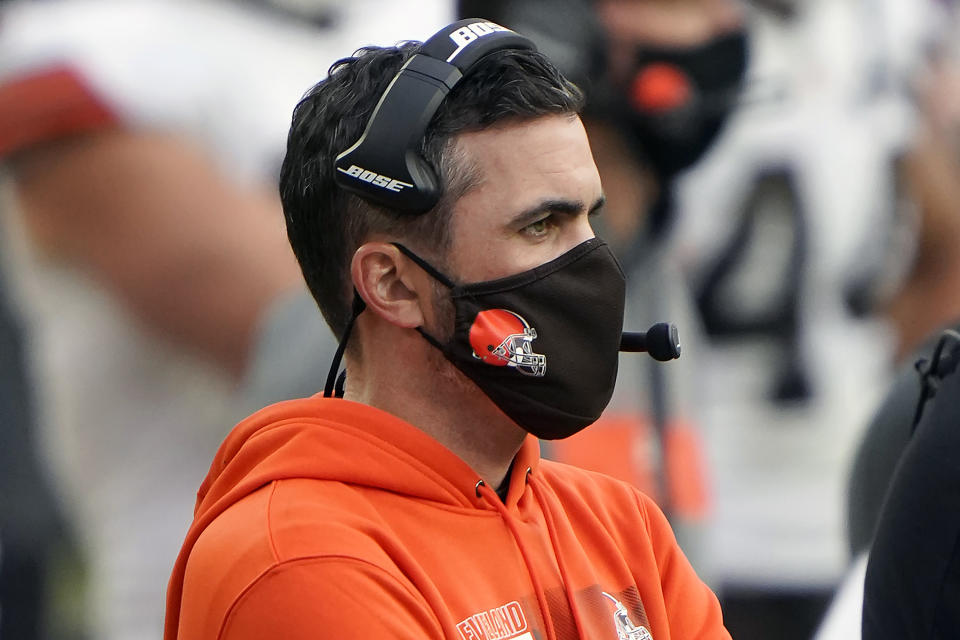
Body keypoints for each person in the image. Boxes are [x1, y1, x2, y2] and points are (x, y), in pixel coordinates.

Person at [164, 18, 729, 640]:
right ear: (392, 284)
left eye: (589, 220)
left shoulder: (622, 527)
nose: (595, 262)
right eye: (541, 226)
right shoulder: (297, 561)